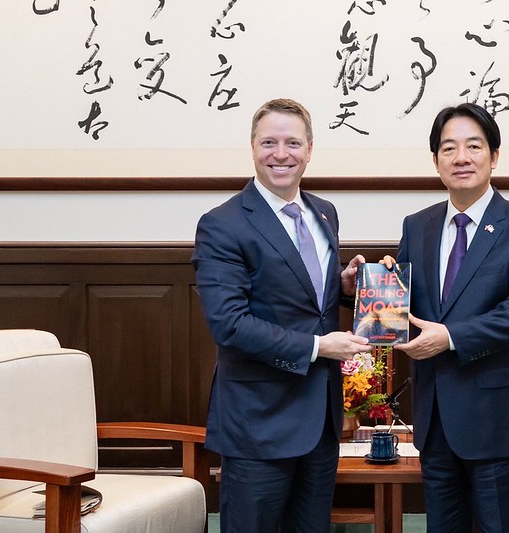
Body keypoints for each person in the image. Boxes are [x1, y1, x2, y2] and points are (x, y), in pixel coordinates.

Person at [192, 98, 371, 533]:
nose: (281, 153)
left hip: (320, 418)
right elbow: (228, 323)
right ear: (252, 148)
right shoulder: (223, 224)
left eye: (293, 142)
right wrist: (317, 347)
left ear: (310, 149)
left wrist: (344, 289)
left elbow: (308, 298)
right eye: (269, 142)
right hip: (259, 420)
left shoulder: (324, 213)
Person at [385, 103, 509, 532]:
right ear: (436, 161)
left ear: (493, 156)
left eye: (473, 146)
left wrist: (451, 337)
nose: (461, 157)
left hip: (497, 417)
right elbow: (403, 309)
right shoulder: (416, 226)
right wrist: (373, 291)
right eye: (449, 148)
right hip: (435, 416)